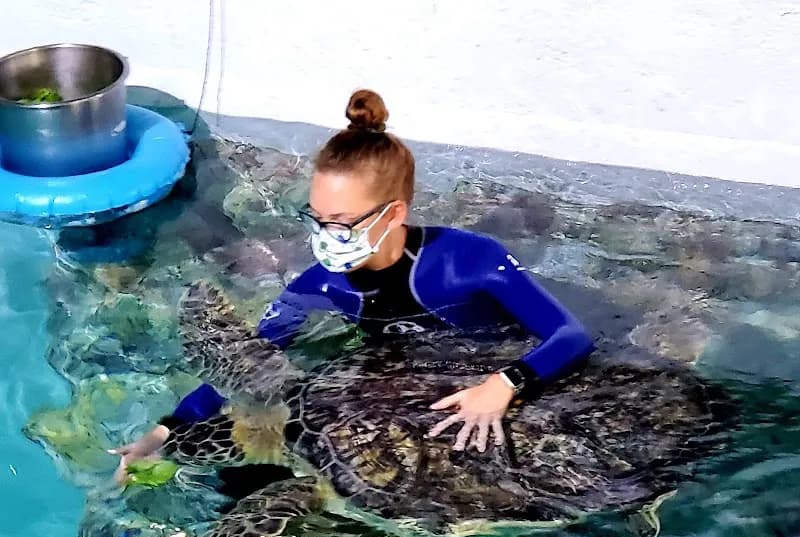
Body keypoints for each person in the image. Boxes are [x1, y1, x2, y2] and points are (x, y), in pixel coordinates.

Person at [112, 89, 594, 482]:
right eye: (317, 219)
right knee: (244, 479)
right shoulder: (319, 287)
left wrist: (505, 384)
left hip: (506, 376)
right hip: (408, 390)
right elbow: (248, 360)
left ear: (394, 214)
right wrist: (165, 431)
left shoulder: (468, 262)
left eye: (341, 222)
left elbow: (572, 336)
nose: (325, 236)